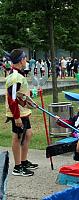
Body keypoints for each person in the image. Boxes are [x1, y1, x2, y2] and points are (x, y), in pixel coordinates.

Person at [5, 49, 38, 177]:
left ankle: (24, 162)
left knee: (27, 134)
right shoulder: (15, 77)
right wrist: (17, 117)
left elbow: (20, 95)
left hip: (24, 112)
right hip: (17, 114)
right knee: (18, 137)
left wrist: (31, 98)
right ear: (21, 60)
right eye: (25, 58)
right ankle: (18, 167)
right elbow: (12, 99)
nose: (26, 60)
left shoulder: (19, 75)